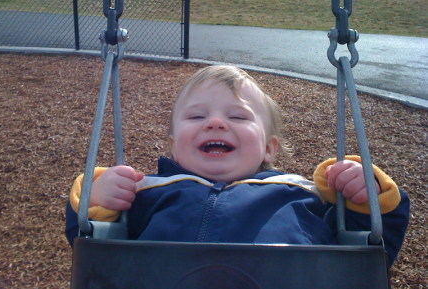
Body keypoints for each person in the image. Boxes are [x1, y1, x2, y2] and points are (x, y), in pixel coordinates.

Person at [65, 65, 409, 266]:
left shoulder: (300, 194)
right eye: (197, 115)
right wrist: (96, 199)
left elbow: (367, 253)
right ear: (173, 145)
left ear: (268, 149)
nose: (215, 123)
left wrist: (364, 196)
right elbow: (94, 249)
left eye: (237, 116)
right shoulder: (146, 193)